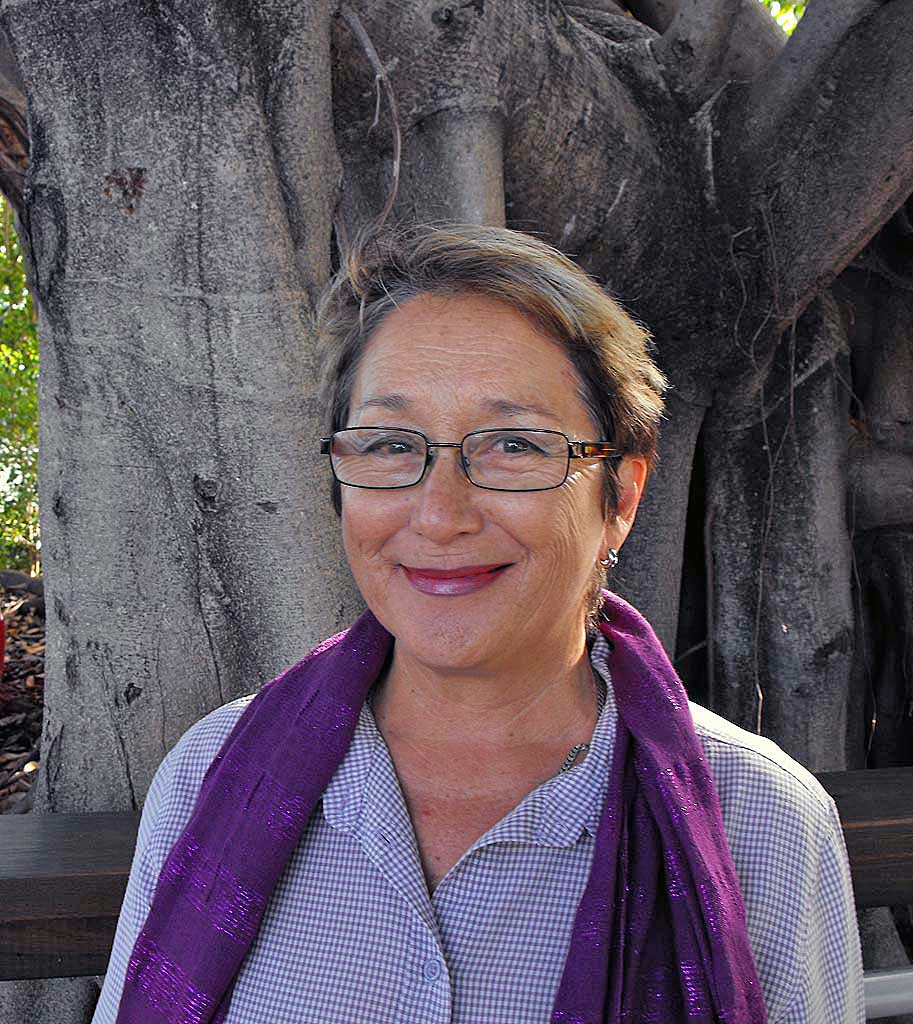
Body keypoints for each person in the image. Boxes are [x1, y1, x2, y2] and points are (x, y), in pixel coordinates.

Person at [92, 223, 863, 1024]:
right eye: (391, 445)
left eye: (514, 446)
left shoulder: (761, 819)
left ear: (621, 498)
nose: (440, 515)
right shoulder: (214, 772)